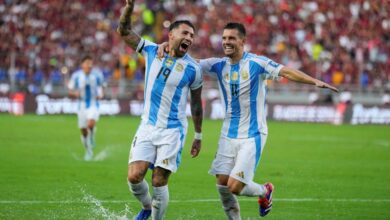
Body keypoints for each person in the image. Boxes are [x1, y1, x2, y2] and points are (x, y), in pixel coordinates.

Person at [159, 22, 338, 219]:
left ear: (243, 41)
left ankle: (265, 191)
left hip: (252, 135)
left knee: (234, 186)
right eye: (224, 38)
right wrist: (165, 46)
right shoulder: (219, 65)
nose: (226, 42)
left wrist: (314, 81)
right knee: (222, 185)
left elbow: (285, 71)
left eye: (231, 39)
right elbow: (188, 61)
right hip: (228, 133)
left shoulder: (256, 63)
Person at [117, 0, 203, 219]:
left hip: (173, 131)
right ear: (171, 35)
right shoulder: (152, 50)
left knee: (158, 180)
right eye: (185, 33)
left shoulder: (193, 69)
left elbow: (195, 103)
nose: (189, 38)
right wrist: (128, 9)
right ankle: (147, 207)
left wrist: (198, 135)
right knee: (135, 176)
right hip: (148, 125)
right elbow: (124, 31)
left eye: (192, 35)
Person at [68, 55, 105, 161]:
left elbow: (102, 86)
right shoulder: (76, 76)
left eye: (90, 63)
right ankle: (88, 151)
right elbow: (70, 90)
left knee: (90, 124)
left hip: (93, 104)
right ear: (82, 65)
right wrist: (75, 94)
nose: (89, 65)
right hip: (81, 106)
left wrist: (101, 94)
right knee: (83, 130)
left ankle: (92, 135)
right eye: (87, 63)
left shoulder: (97, 75)